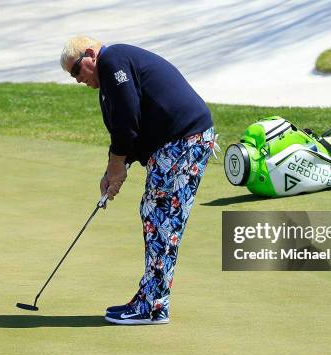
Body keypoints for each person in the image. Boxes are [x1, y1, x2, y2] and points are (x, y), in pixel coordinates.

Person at [60, 35, 217, 325]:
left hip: (182, 141)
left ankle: (152, 306)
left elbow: (127, 119)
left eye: (76, 70)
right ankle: (150, 300)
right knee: (156, 216)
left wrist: (116, 165)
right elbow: (133, 130)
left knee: (159, 218)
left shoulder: (113, 60)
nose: (77, 79)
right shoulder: (110, 77)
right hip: (180, 143)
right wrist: (114, 172)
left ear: (91, 54)